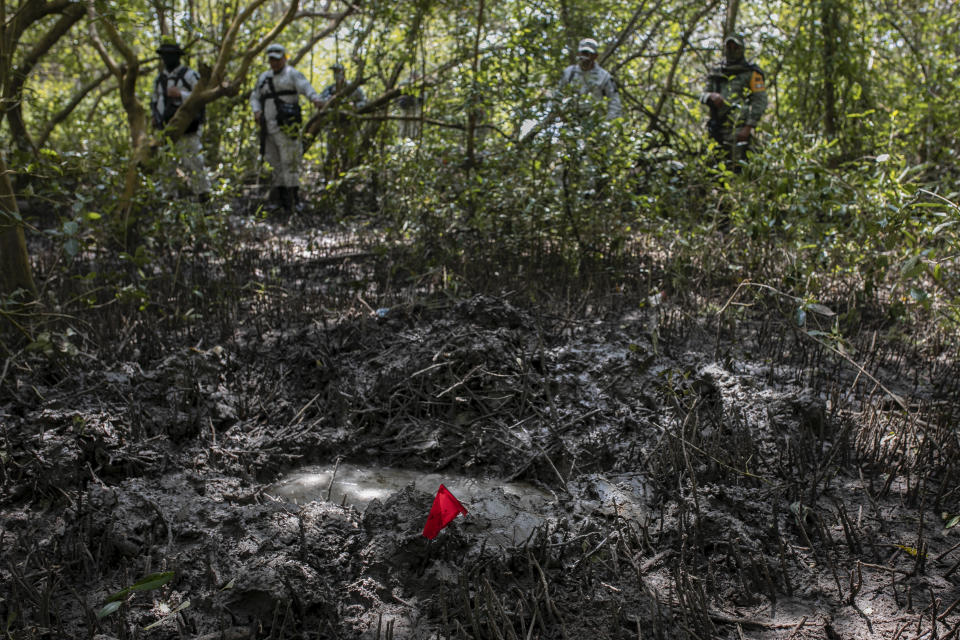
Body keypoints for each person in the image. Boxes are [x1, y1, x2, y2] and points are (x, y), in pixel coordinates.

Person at [250, 43, 323, 212]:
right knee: (275, 163)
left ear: (284, 58)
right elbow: (254, 97)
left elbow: (306, 87)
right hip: (268, 128)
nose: (274, 63)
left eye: (277, 59)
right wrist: (256, 111)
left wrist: (315, 99)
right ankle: (280, 200)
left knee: (290, 162)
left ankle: (293, 200)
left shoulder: (292, 74)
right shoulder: (263, 78)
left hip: (287, 127)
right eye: (271, 60)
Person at [150, 39, 211, 202]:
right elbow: (154, 101)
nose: (167, 59)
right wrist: (154, 118)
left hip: (188, 128)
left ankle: (203, 196)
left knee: (194, 162)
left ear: (178, 56)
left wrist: (181, 95)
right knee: (166, 164)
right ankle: (169, 198)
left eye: (170, 55)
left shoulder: (190, 75)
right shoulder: (159, 79)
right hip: (166, 129)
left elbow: (202, 96)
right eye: (164, 55)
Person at [699, 34, 767, 172]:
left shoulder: (751, 73)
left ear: (741, 49)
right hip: (716, 127)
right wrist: (711, 96)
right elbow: (702, 95)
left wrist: (748, 127)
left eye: (735, 47)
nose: (732, 50)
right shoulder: (717, 71)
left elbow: (760, 101)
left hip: (738, 129)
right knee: (712, 168)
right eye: (729, 47)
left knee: (737, 168)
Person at [556, 38, 622, 123]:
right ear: (578, 54)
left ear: (595, 56)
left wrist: (608, 123)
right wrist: (560, 114)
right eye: (583, 53)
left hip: (593, 123)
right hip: (570, 122)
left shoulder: (604, 76)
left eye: (588, 54)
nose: (585, 57)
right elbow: (557, 95)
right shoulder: (569, 72)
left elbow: (614, 102)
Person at [318, 63, 367, 179]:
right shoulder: (330, 89)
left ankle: (347, 178)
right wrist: (330, 101)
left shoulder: (354, 88)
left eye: (338, 72)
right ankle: (327, 178)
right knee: (331, 152)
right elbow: (320, 102)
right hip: (333, 125)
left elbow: (364, 102)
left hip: (349, 125)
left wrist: (354, 105)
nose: (336, 75)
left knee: (348, 152)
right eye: (334, 72)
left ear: (344, 73)